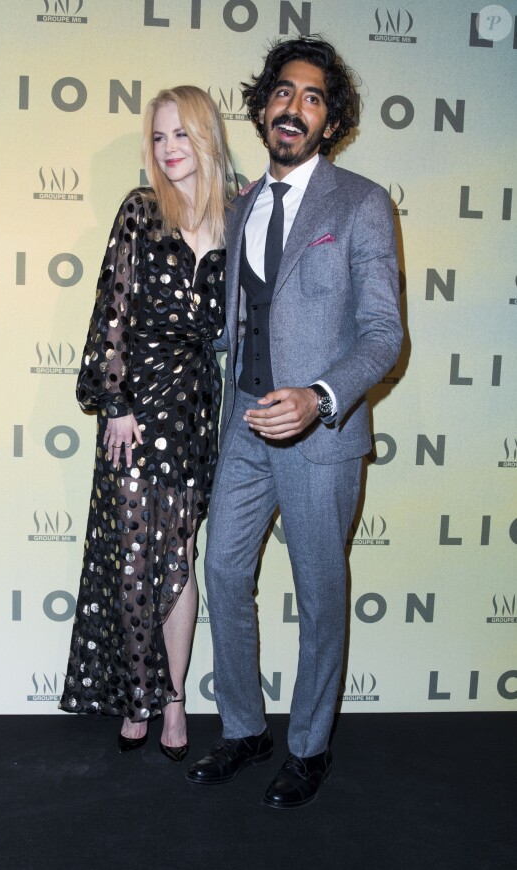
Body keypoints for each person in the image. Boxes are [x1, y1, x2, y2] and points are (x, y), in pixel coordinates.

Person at [186, 36, 403, 806]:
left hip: (318, 434)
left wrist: (318, 395)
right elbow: (236, 323)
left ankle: (309, 747)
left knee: (318, 593)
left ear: (330, 121)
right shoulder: (243, 203)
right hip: (243, 421)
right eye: (284, 92)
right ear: (264, 104)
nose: (295, 107)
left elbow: (384, 333)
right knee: (221, 572)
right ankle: (245, 729)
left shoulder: (362, 204)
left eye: (314, 98)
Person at [59, 86, 236, 763]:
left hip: (194, 406)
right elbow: (112, 306)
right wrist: (114, 403)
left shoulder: (238, 218)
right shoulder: (139, 210)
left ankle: (173, 700)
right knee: (135, 559)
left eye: (180, 135)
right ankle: (136, 695)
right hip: (136, 409)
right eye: (159, 137)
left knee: (178, 561)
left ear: (205, 138)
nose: (168, 149)